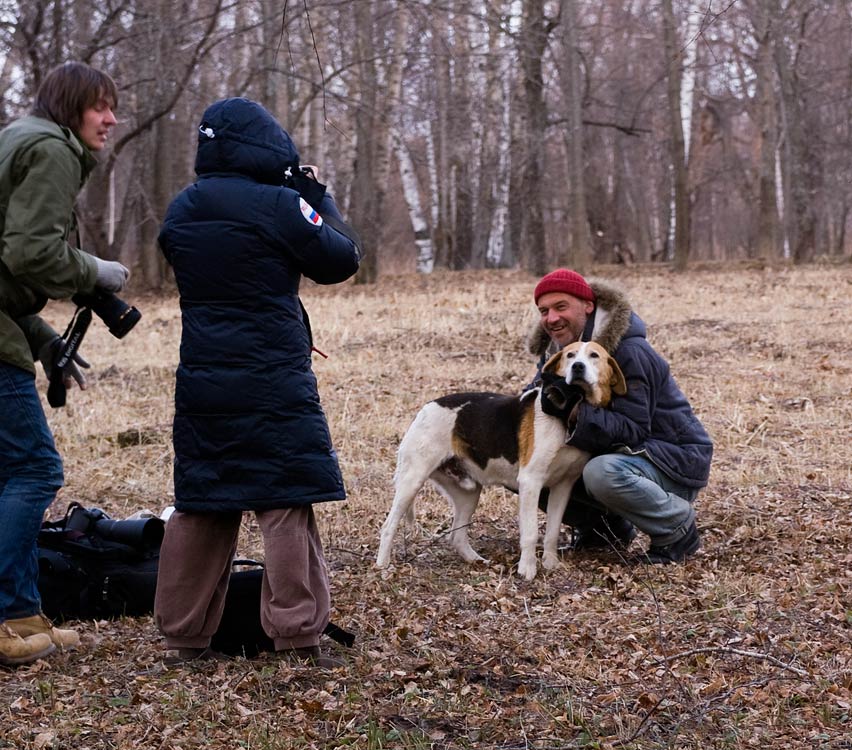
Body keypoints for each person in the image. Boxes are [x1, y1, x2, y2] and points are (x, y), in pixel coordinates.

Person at [154, 97, 362, 666]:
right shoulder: (281, 205)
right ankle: (297, 636)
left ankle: (183, 637)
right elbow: (341, 259)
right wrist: (316, 196)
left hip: (203, 380)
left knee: (202, 501)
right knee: (285, 499)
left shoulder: (181, 209)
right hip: (273, 378)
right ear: (267, 147)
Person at [0, 61, 130, 666]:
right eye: (100, 106)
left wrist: (46, 339)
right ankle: (5, 618)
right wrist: (92, 271)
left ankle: (22, 614)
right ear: (71, 107)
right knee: (33, 470)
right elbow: (31, 254)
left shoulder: (17, 137)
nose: (111, 118)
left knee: (9, 476)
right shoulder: (51, 148)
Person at [527, 269, 713, 563]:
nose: (551, 318)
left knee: (601, 472)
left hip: (671, 459)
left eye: (561, 307)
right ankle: (604, 530)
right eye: (544, 311)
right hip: (622, 454)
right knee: (522, 462)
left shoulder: (630, 350)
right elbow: (532, 406)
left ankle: (676, 528)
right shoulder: (559, 351)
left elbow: (635, 430)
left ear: (588, 306)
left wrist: (576, 412)